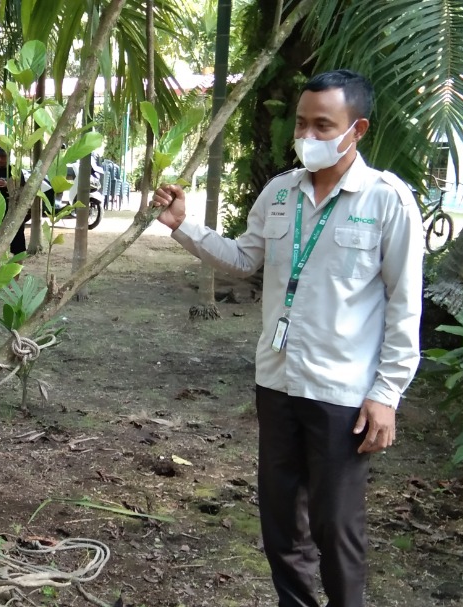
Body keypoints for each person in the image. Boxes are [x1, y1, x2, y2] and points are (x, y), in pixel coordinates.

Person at [152, 69, 424, 607]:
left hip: (342, 394)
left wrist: (386, 394)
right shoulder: (281, 193)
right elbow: (244, 259)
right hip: (277, 381)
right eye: (303, 123)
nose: (308, 136)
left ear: (358, 129)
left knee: (335, 527)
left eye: (324, 125)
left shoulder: (387, 201)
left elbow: (404, 305)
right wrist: (182, 225)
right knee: (281, 521)